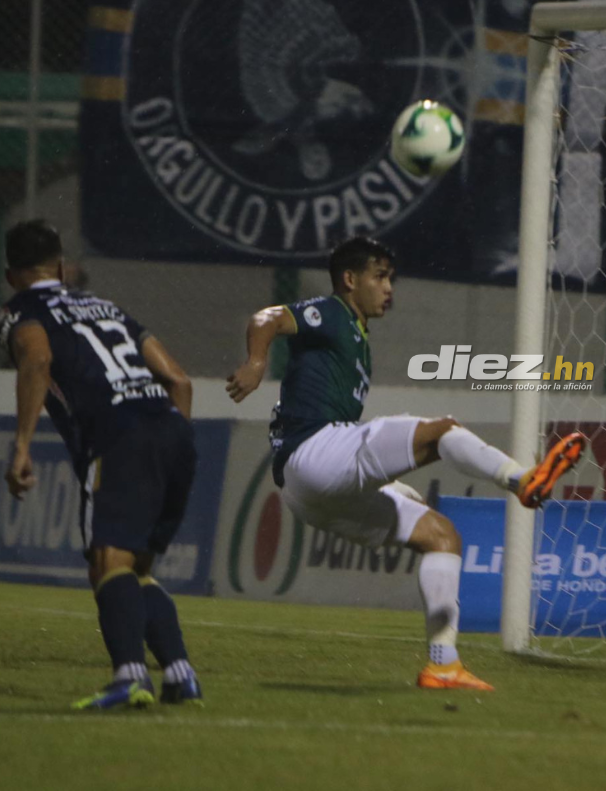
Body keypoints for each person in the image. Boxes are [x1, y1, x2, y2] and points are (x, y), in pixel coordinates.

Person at [226, 236, 585, 691]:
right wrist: (257, 362)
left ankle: (443, 664)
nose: (388, 287)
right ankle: (522, 479)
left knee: (441, 536)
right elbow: (268, 318)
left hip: (306, 494)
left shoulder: (357, 337)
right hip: (314, 450)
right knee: (442, 431)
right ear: (350, 280)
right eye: (379, 277)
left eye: (390, 278)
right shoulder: (333, 312)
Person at [0, 219, 202, 710]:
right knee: (135, 567)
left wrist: (22, 445)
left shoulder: (21, 310)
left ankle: (130, 676)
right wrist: (168, 438)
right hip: (172, 430)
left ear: (10, 276)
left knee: (108, 560)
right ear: (60, 267)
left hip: (118, 435)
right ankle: (180, 675)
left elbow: (36, 361)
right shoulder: (105, 306)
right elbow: (179, 380)